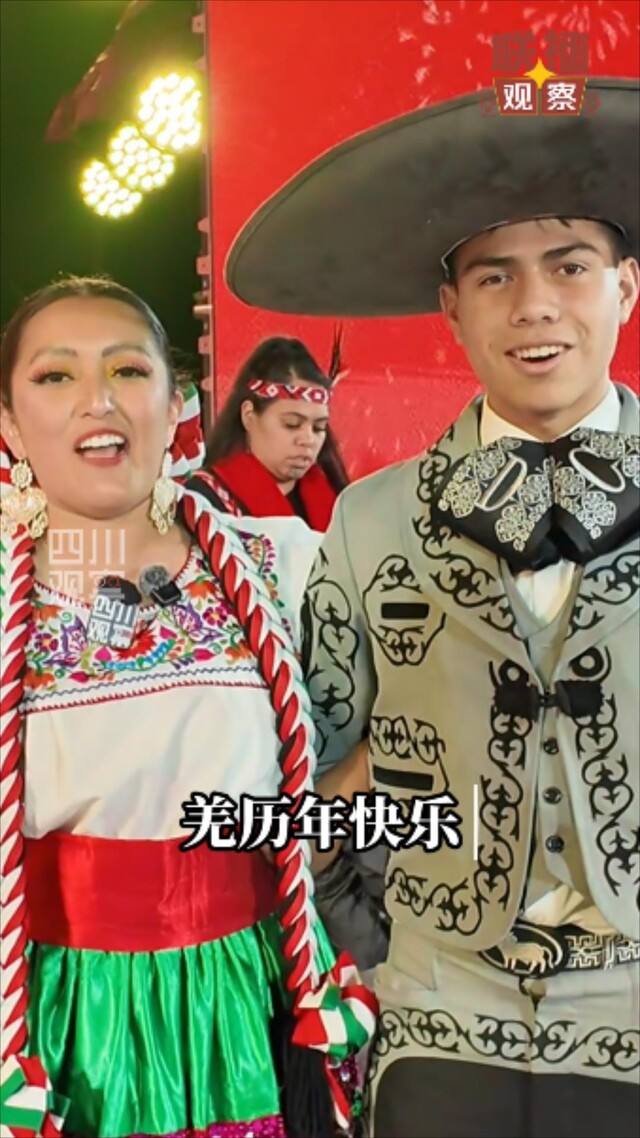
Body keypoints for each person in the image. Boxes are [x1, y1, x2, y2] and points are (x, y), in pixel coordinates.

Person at [222, 78, 640, 1137]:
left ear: (625, 288)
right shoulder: (370, 522)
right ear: (450, 306)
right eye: (495, 275)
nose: (534, 304)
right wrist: (364, 928)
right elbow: (311, 775)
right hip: (440, 1017)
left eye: (569, 266)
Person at [0, 276, 376, 1138]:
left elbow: (396, 726)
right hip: (59, 1010)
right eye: (55, 376)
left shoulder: (281, 562)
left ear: (177, 404)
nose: (97, 399)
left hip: (253, 988)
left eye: (128, 370)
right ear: (12, 425)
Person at [189, 335, 349, 531]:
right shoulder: (201, 502)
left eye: (318, 427)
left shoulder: (337, 501)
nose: (308, 439)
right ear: (248, 415)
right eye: (292, 424)